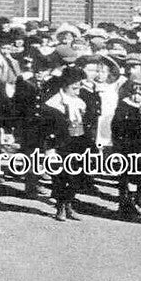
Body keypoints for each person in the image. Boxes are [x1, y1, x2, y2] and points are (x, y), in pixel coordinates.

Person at [41, 67, 90, 222]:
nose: (78, 91)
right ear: (65, 85)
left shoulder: (80, 102)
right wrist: (49, 149)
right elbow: (48, 129)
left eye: (79, 87)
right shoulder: (53, 103)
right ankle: (60, 206)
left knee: (76, 175)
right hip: (60, 144)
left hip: (77, 143)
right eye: (74, 88)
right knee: (61, 176)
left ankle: (69, 203)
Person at [111, 71, 141, 221]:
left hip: (139, 147)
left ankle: (134, 202)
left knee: (136, 175)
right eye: (136, 90)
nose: (138, 95)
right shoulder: (124, 105)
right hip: (125, 146)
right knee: (124, 175)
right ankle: (124, 204)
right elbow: (116, 126)